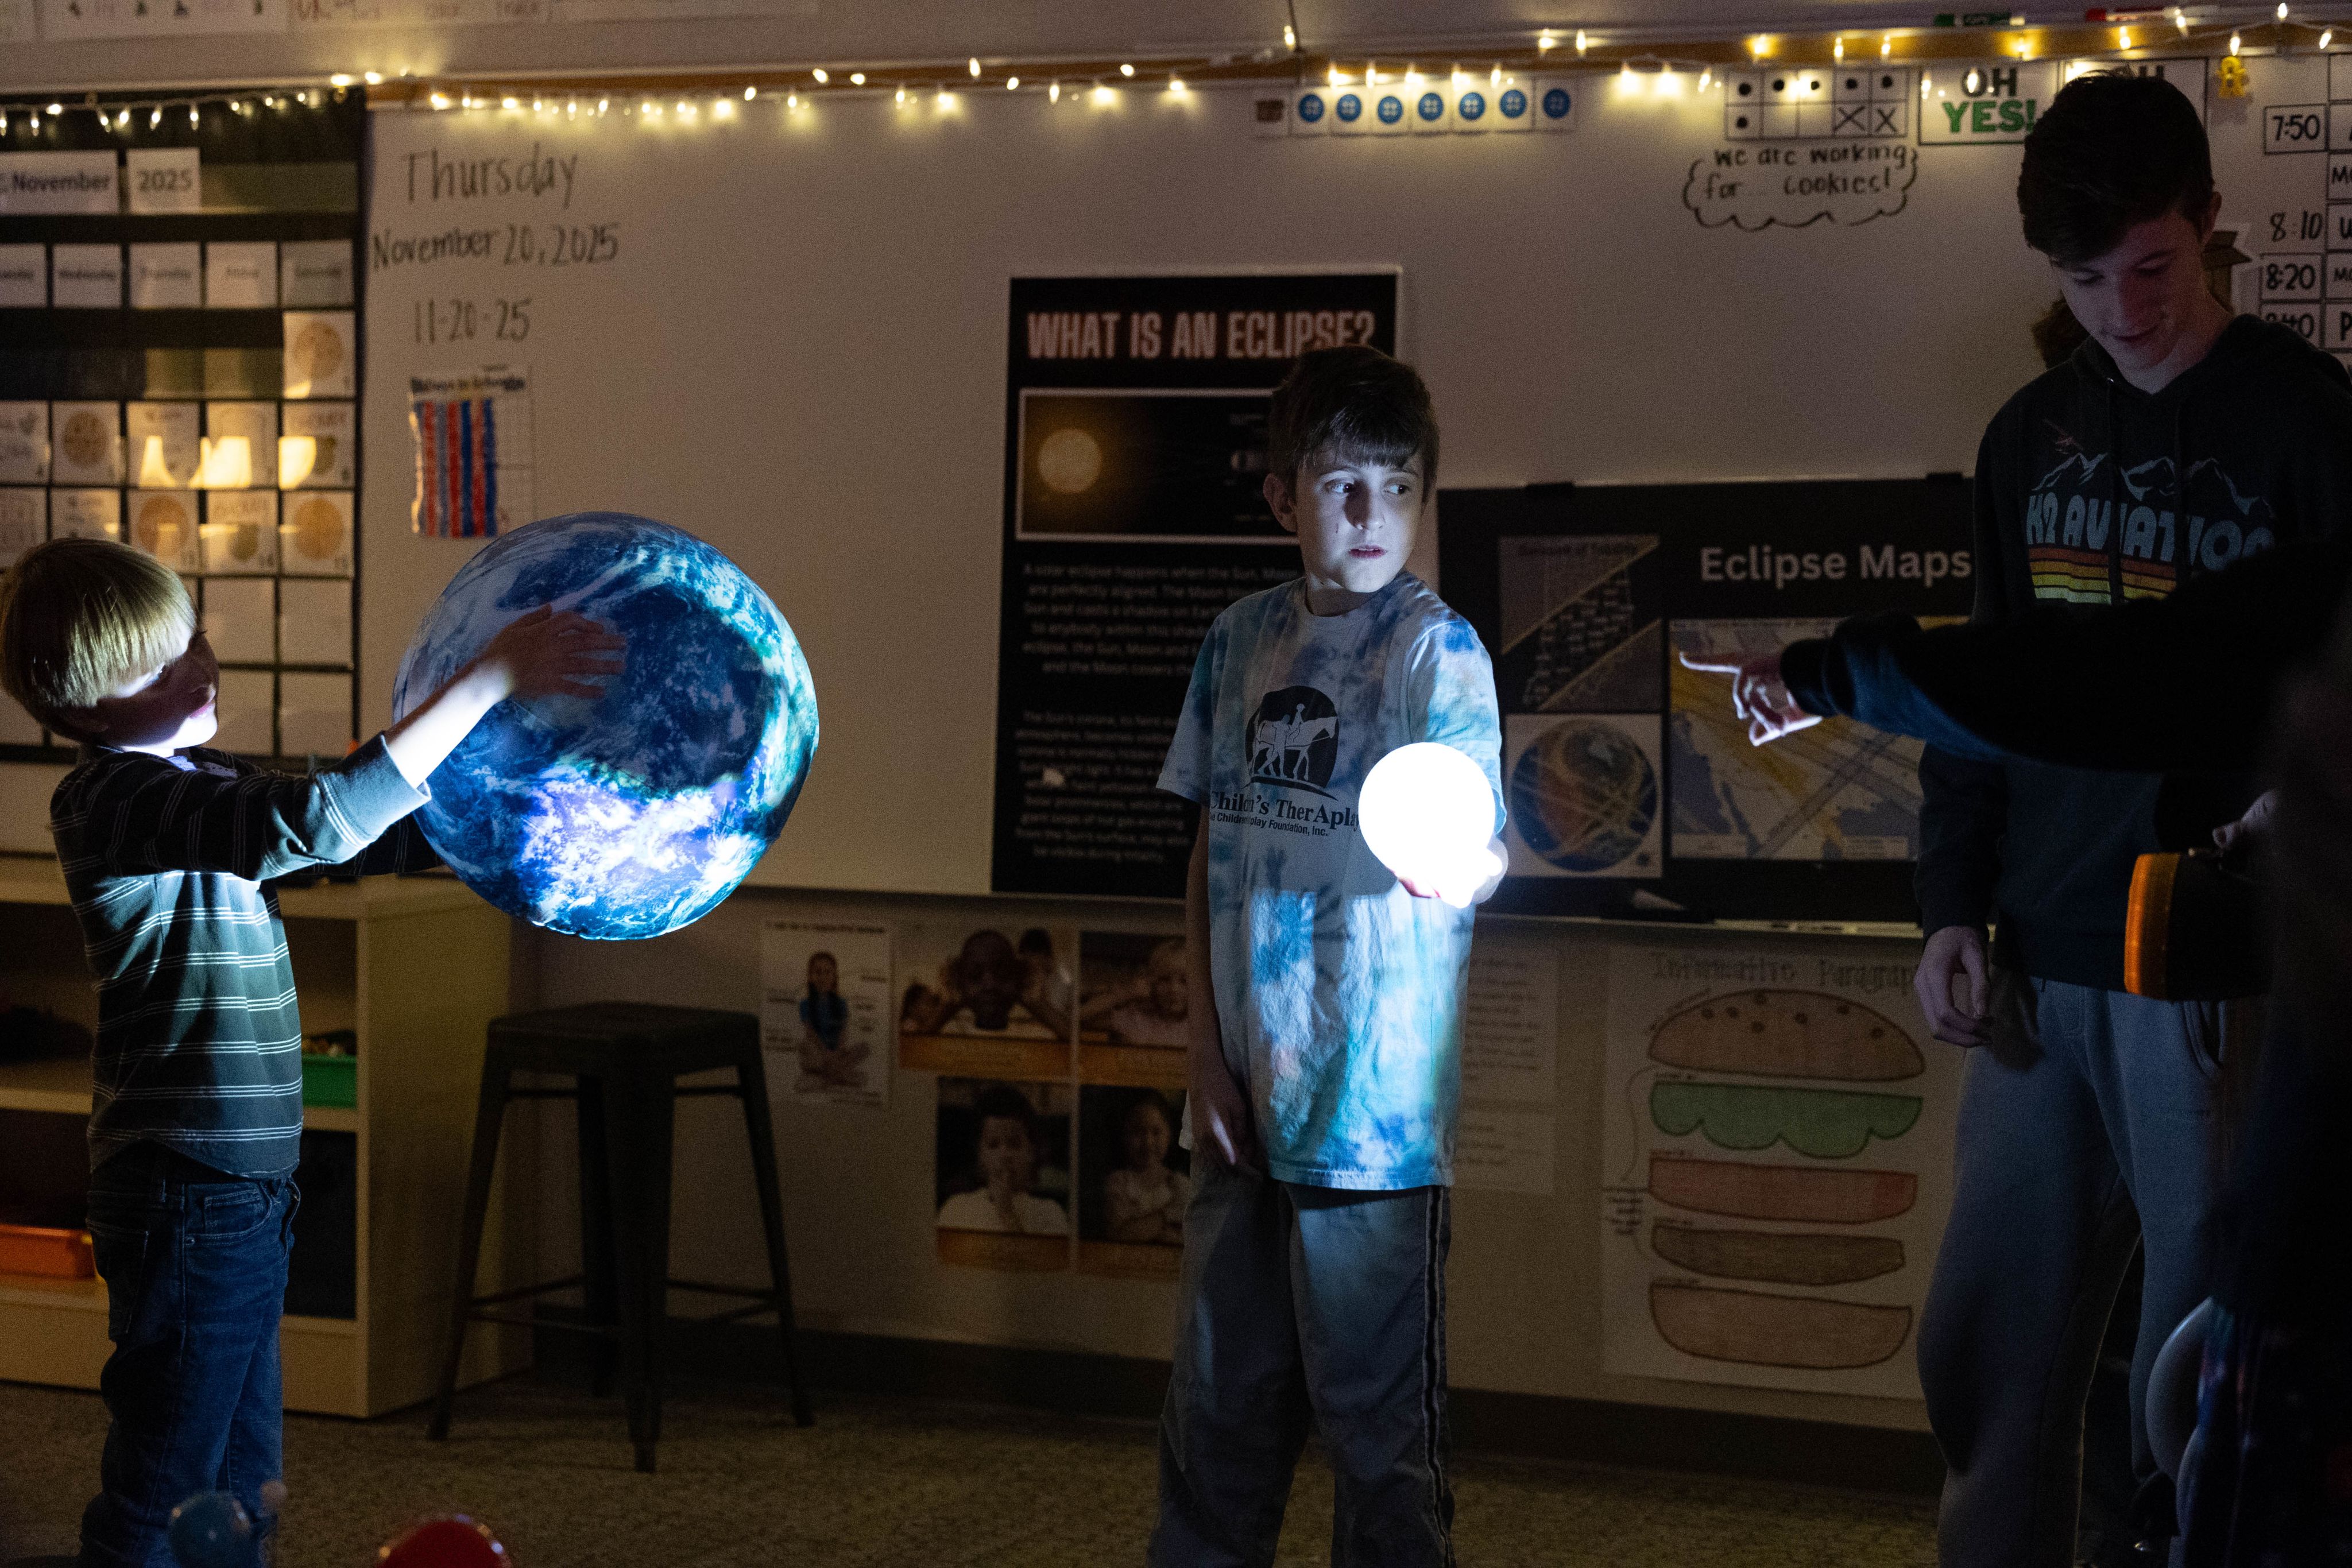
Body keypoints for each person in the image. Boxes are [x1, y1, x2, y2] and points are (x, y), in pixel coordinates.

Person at [1692, 73, 2352, 1568]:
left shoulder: (2308, 428)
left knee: (2197, 1370)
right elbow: (1990, 687)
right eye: (2085, 281)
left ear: (2208, 224)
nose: (2124, 312)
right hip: (2040, 962)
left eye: (2152, 269)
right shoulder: (2029, 437)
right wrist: (1948, 907)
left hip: (2212, 963)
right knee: (1988, 1352)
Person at [0, 537, 620, 1568]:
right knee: (166, 1477)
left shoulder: (198, 777)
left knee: (246, 1485)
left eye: (195, 640)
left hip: (242, 1183)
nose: (199, 669)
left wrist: (516, 825)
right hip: (185, 1188)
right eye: (156, 670)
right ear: (81, 712)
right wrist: (488, 678)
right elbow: (317, 822)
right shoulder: (110, 800)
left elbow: (360, 834)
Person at [1151, 343, 1504, 1567]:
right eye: (1341, 484)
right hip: (1242, 1103)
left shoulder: (1435, 651)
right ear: (1281, 494)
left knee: (1377, 1443)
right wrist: (1204, 1057)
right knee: (1214, 1420)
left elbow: (1474, 835)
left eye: (1397, 487)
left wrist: (1463, 864)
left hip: (1372, 1122)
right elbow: (1209, 847)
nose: (1369, 514)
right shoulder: (1238, 640)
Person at [934, 1082, 1069, 1234]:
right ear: (980, 1155)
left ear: (1031, 1152)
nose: (1004, 1155)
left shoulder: (1050, 1213)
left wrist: (1006, 1212)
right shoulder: (957, 1208)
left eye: (1014, 1145)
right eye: (993, 1145)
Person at [1102, 1090, 1189, 1245]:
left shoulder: (1181, 1186)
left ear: (1169, 1135)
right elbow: (1119, 1235)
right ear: (1125, 1136)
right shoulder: (1118, 1184)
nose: (1148, 1142)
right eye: (1138, 1132)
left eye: (1156, 1132)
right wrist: (1167, 1216)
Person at [1081, 937, 1189, 1048]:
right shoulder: (1135, 1019)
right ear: (1151, 983)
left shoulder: (1200, 1026)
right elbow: (1079, 1017)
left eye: (1185, 981)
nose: (1174, 989)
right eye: (1164, 980)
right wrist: (1127, 993)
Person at [794, 951, 868, 1090]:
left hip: (837, 1054)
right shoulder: (805, 1004)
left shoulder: (841, 1004)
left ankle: (824, 1079)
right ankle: (841, 1075)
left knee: (864, 1048)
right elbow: (811, 1035)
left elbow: (843, 1033)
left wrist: (836, 1053)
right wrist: (827, 1054)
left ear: (834, 977)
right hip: (818, 1055)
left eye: (828, 972)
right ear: (810, 977)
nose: (823, 977)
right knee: (806, 1047)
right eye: (818, 972)